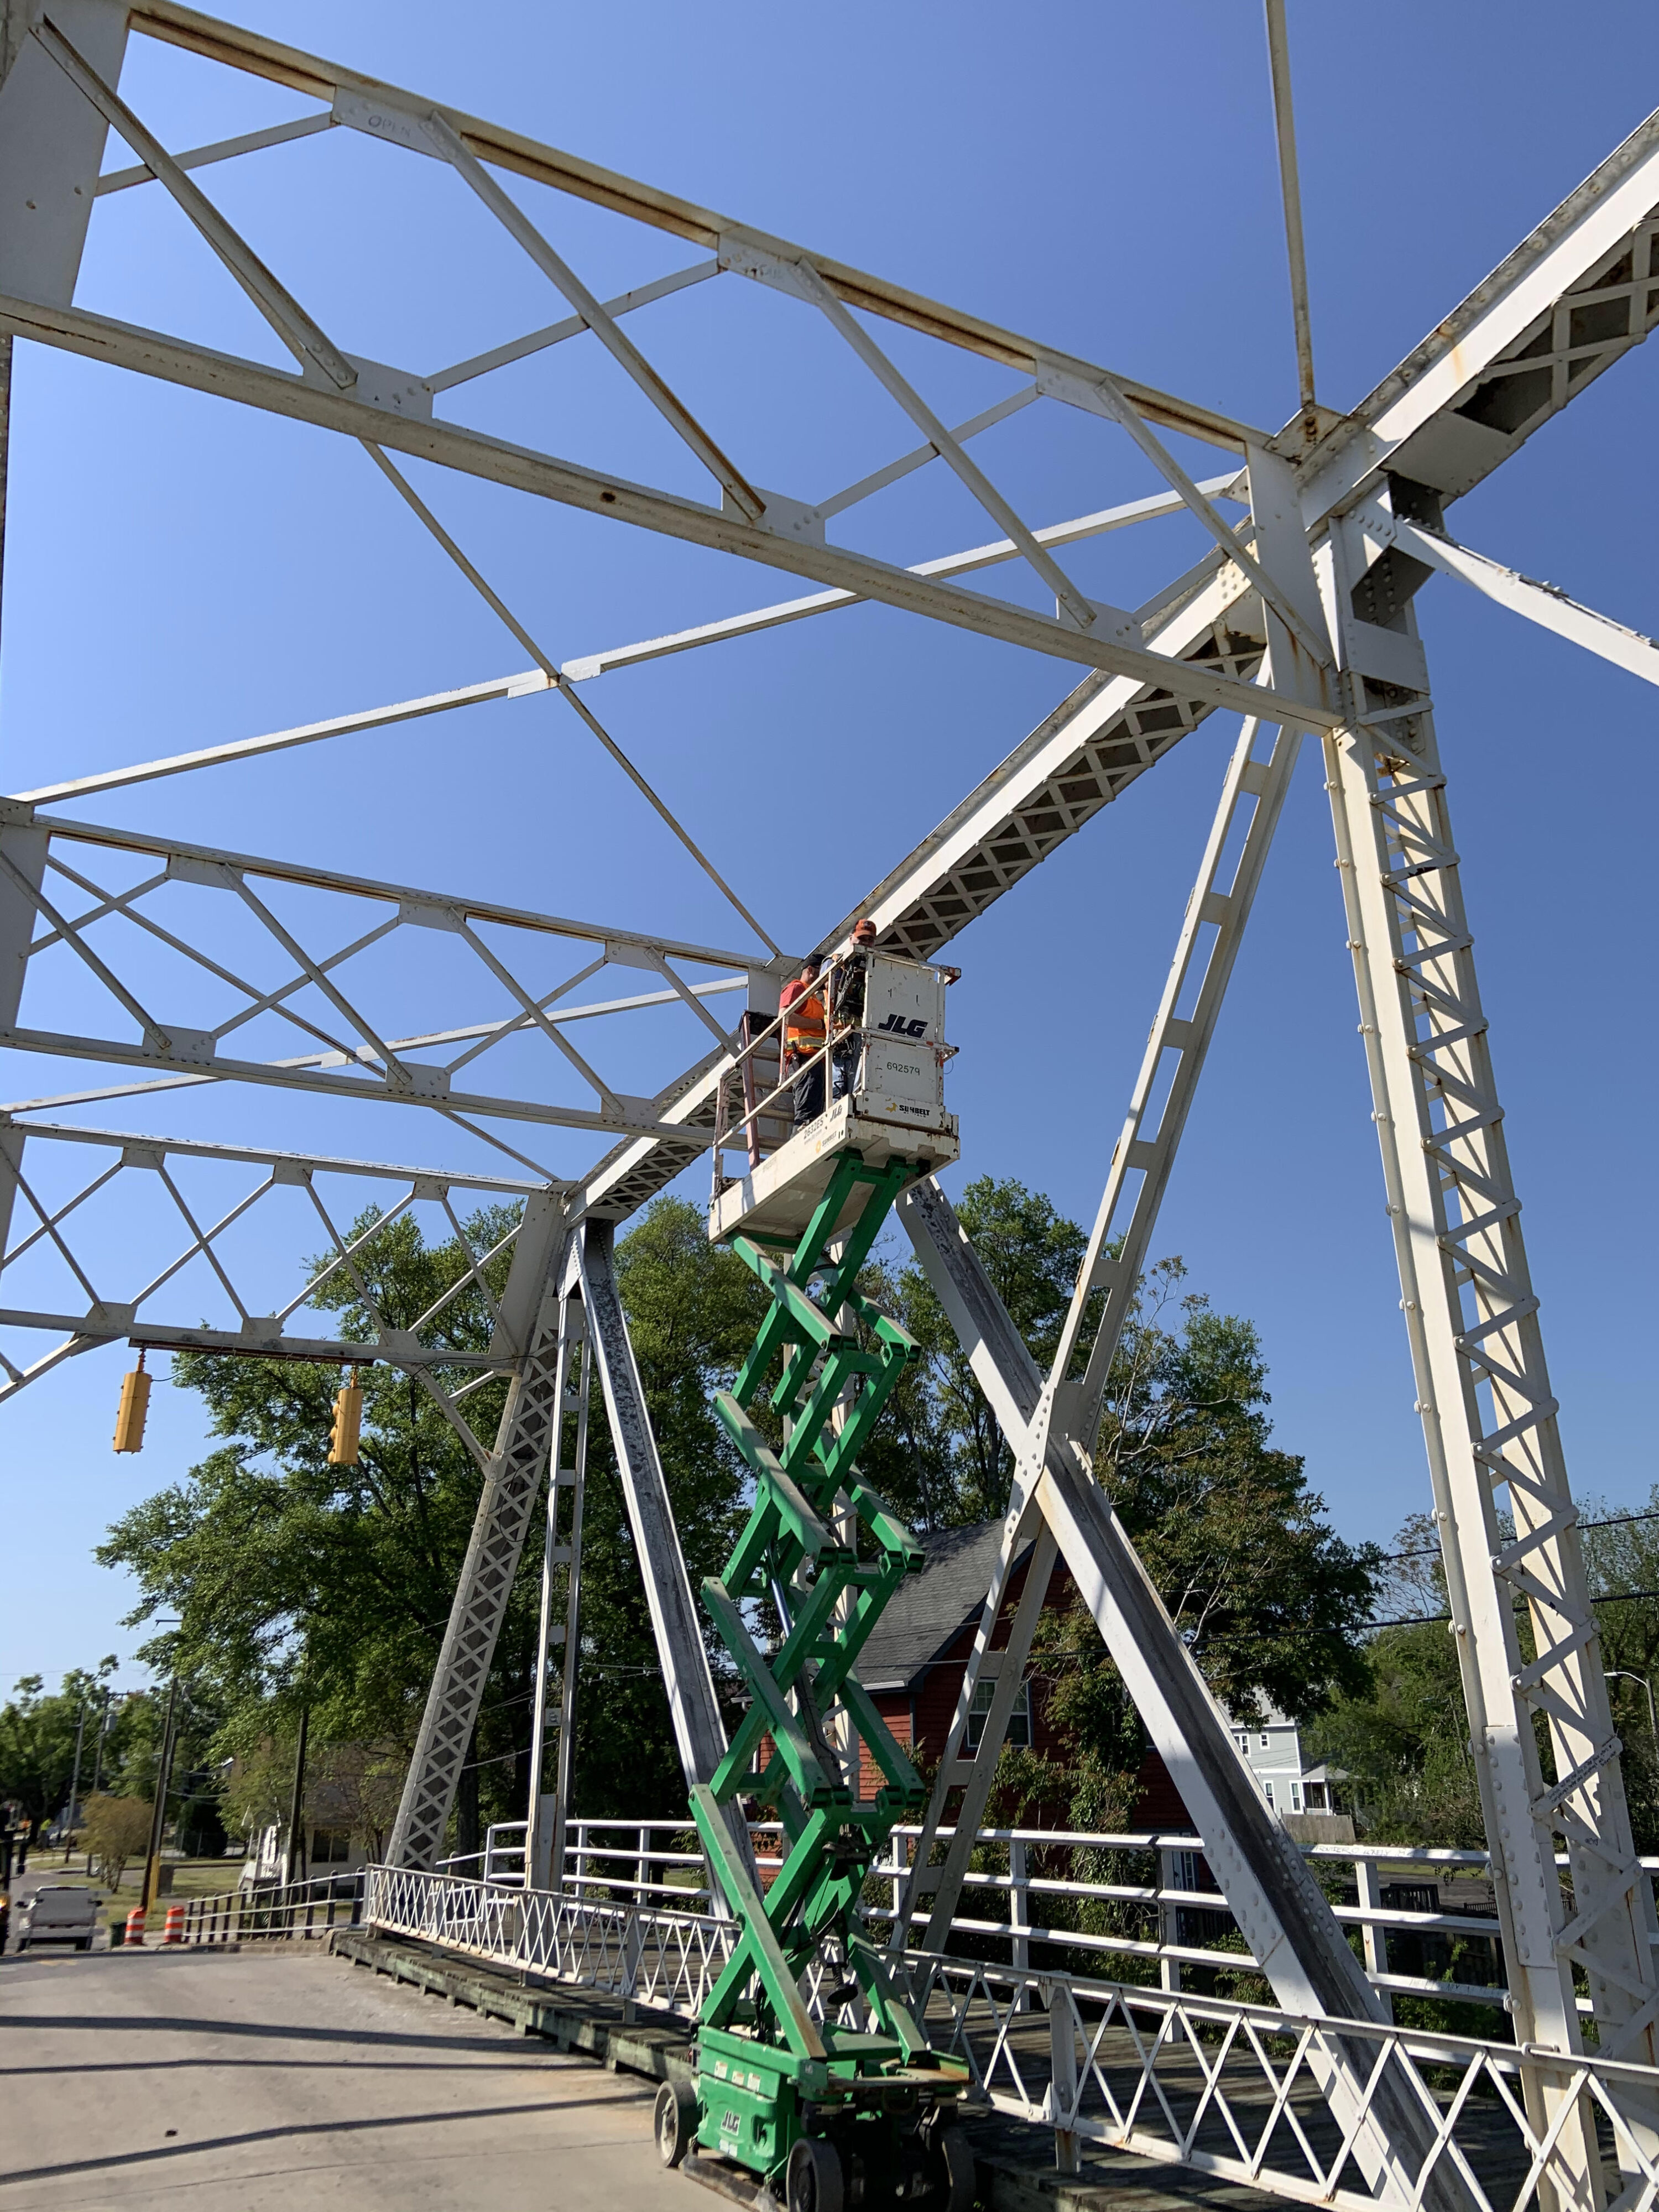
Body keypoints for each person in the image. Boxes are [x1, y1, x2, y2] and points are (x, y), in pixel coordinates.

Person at [779, 954, 827, 1128]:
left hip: (815, 1058)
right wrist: (819, 1024)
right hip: (803, 1057)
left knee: (814, 1109)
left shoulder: (814, 998)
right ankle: (800, 1138)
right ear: (811, 970)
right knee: (806, 1113)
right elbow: (786, 1017)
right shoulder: (797, 988)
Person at [832, 917, 878, 1100]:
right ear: (851, 938)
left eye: (870, 940)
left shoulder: (876, 967)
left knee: (859, 1080)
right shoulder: (837, 964)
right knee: (839, 1079)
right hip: (839, 1030)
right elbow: (831, 996)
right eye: (862, 938)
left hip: (862, 1031)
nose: (866, 943)